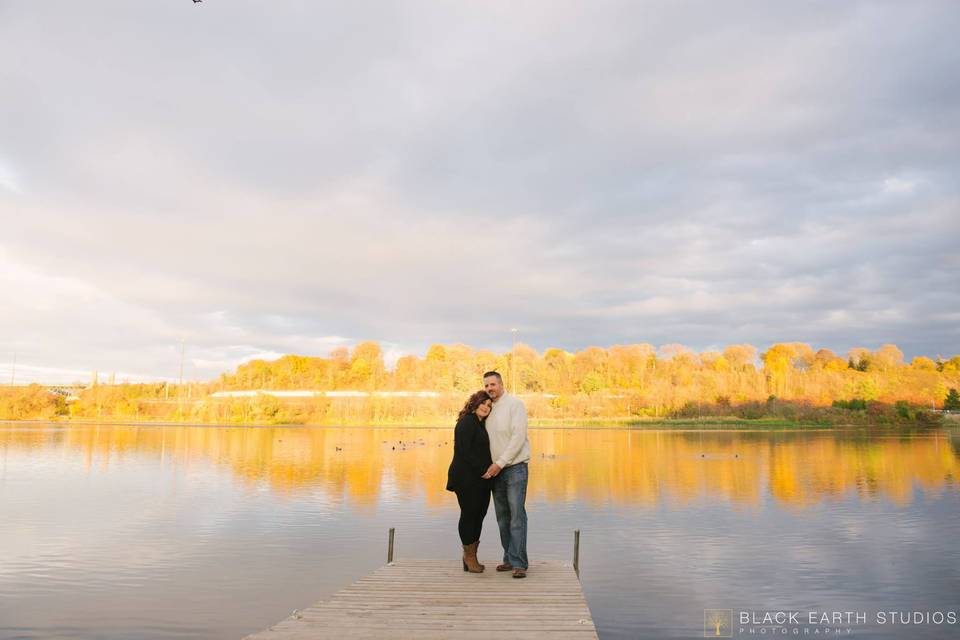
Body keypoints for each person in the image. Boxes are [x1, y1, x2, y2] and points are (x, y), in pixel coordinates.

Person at [480, 370, 531, 578]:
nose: (490, 388)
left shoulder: (515, 405)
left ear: (501, 384)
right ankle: (509, 559)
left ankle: (520, 564)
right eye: (486, 385)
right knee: (502, 518)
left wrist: (500, 463)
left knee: (516, 517)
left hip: (515, 469)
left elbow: (518, 438)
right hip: (495, 471)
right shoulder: (488, 408)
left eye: (493, 384)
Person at [446, 390, 494, 573]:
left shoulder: (481, 424)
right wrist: (483, 470)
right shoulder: (467, 422)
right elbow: (464, 452)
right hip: (465, 478)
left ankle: (471, 556)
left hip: (482, 479)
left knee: (479, 515)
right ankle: (469, 556)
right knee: (469, 515)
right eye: (483, 403)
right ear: (474, 403)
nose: (486, 407)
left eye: (489, 405)